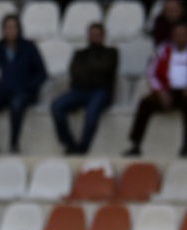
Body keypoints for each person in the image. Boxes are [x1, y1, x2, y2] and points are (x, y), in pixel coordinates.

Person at [0, 14, 47, 154]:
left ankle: (14, 145)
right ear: (3, 29)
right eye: (8, 27)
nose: (11, 30)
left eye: (14, 27)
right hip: (4, 92)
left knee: (17, 103)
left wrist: (29, 87)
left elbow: (42, 73)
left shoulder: (29, 47)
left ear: (19, 28)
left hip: (24, 92)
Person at [51, 23, 118, 155]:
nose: (95, 37)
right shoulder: (80, 53)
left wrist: (87, 69)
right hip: (80, 90)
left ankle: (83, 148)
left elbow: (106, 68)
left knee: (92, 112)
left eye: (98, 34)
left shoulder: (112, 53)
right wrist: (94, 70)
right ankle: (69, 144)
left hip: (101, 91)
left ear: (103, 36)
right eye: (92, 34)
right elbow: (74, 71)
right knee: (56, 106)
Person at [126, 21, 187, 158]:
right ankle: (135, 144)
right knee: (145, 103)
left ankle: (185, 147)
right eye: (178, 34)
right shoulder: (163, 49)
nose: (181, 37)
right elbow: (151, 72)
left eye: (184, 34)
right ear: (173, 36)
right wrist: (160, 91)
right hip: (167, 90)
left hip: (184, 92)